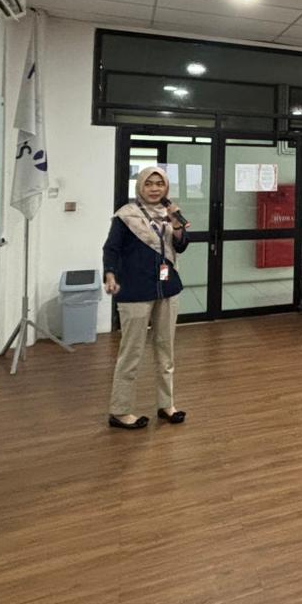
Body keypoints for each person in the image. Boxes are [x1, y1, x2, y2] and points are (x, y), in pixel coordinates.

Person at [102, 166, 189, 430]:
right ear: (140, 186)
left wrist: (177, 225)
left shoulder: (168, 214)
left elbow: (181, 246)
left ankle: (166, 404)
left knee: (166, 350)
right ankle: (120, 411)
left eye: (159, 184)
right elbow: (111, 248)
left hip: (166, 288)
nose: (154, 189)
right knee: (131, 352)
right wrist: (110, 274)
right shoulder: (126, 216)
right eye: (149, 183)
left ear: (166, 188)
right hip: (135, 290)